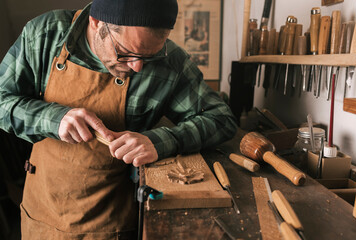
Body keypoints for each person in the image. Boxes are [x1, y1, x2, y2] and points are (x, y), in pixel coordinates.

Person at [0, 0, 238, 239]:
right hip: (42, 218)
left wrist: (161, 141)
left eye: (150, 56)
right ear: (96, 23)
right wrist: (52, 119)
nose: (136, 67)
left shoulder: (170, 62)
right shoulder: (46, 35)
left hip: (112, 225)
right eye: (125, 54)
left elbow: (221, 119)